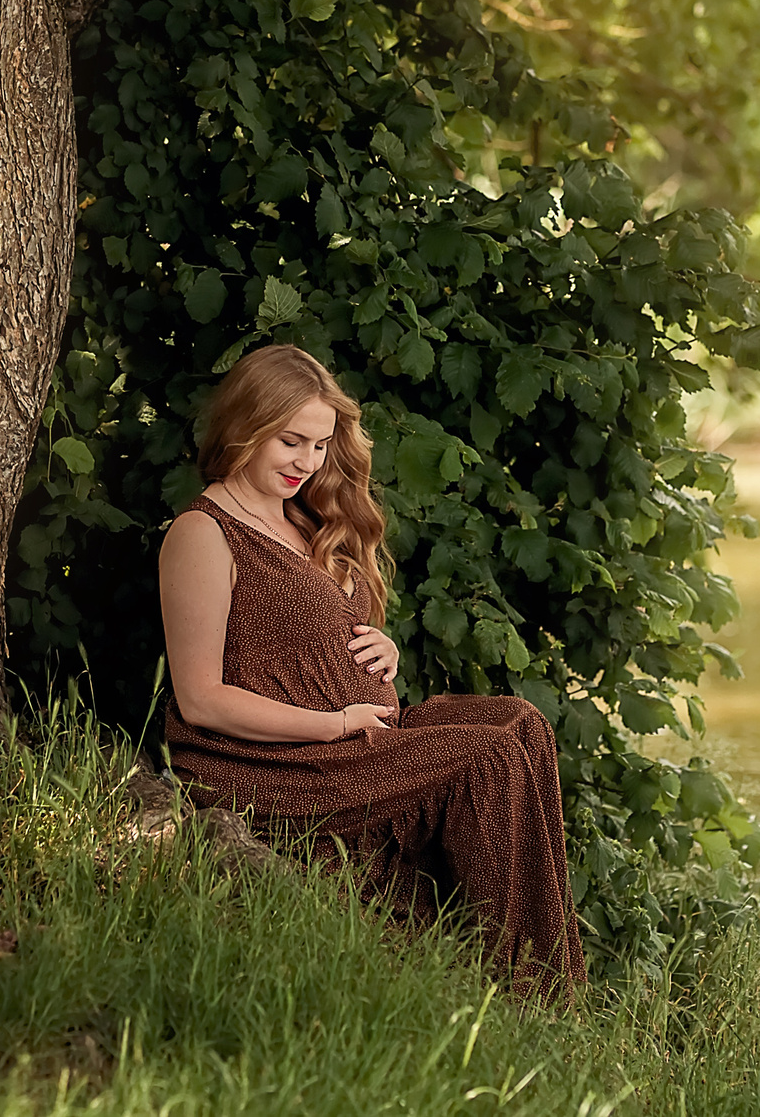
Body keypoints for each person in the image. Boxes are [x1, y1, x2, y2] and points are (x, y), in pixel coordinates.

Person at [157, 343, 587, 995]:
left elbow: (311, 639)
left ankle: (558, 981)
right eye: (290, 441)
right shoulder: (203, 532)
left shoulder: (304, 517)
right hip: (275, 763)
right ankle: (528, 996)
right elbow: (200, 699)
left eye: (321, 444)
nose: (307, 461)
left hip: (354, 736)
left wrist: (382, 651)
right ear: (244, 425)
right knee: (487, 758)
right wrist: (333, 723)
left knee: (523, 723)